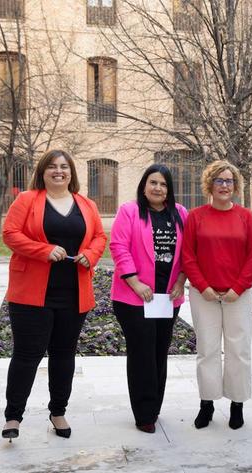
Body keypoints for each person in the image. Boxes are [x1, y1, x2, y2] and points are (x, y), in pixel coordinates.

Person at [0, 149, 106, 441]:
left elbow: (99, 237)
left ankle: (58, 411)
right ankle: (13, 416)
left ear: (71, 172)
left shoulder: (86, 204)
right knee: (26, 355)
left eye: (64, 167)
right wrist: (44, 250)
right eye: (52, 167)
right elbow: (10, 234)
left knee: (63, 355)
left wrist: (90, 255)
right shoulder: (27, 200)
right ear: (42, 172)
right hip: (31, 295)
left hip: (73, 293)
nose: (58, 171)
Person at [182, 160, 252, 430]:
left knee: (239, 350)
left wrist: (238, 288)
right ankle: (207, 404)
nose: (224, 185)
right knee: (207, 349)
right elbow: (188, 256)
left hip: (238, 295)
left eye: (229, 181)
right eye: (219, 180)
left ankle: (237, 405)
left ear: (235, 186)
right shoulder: (196, 216)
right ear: (210, 185)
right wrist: (202, 286)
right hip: (204, 295)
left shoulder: (246, 217)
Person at [110, 164, 188, 433]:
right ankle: (144, 415)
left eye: (163, 184)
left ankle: (154, 407)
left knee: (159, 352)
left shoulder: (180, 214)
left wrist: (180, 282)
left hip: (167, 298)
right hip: (134, 298)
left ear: (169, 190)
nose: (158, 188)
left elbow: (189, 251)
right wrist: (134, 281)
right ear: (144, 185)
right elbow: (118, 246)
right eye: (153, 183)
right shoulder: (129, 211)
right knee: (142, 353)